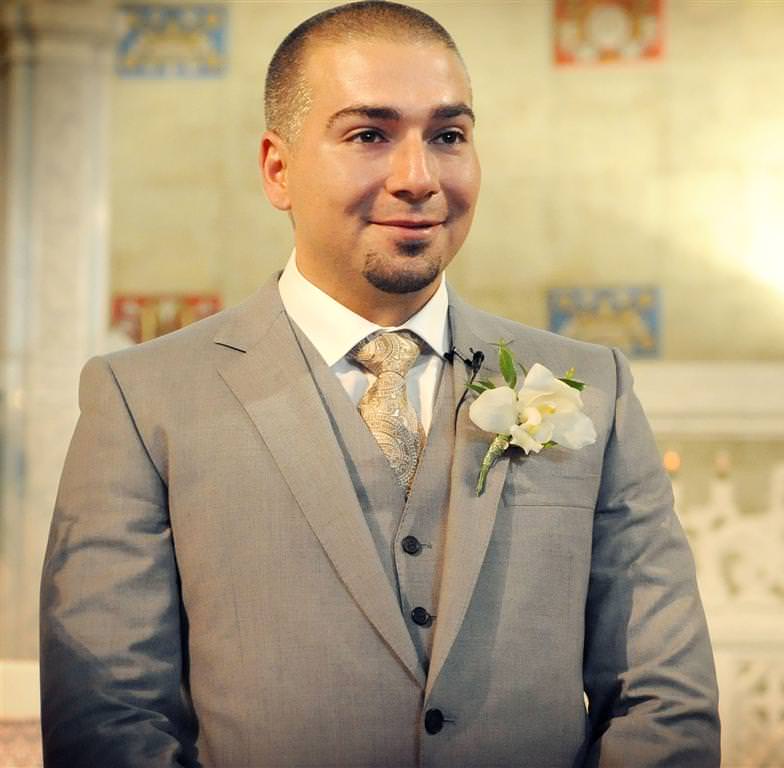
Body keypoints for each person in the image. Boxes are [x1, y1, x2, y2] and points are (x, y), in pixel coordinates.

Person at [39, 3, 720, 766]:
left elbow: (662, 694)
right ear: (278, 168)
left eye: (448, 137)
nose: (418, 178)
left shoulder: (590, 385)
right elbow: (111, 714)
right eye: (369, 135)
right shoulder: (143, 399)